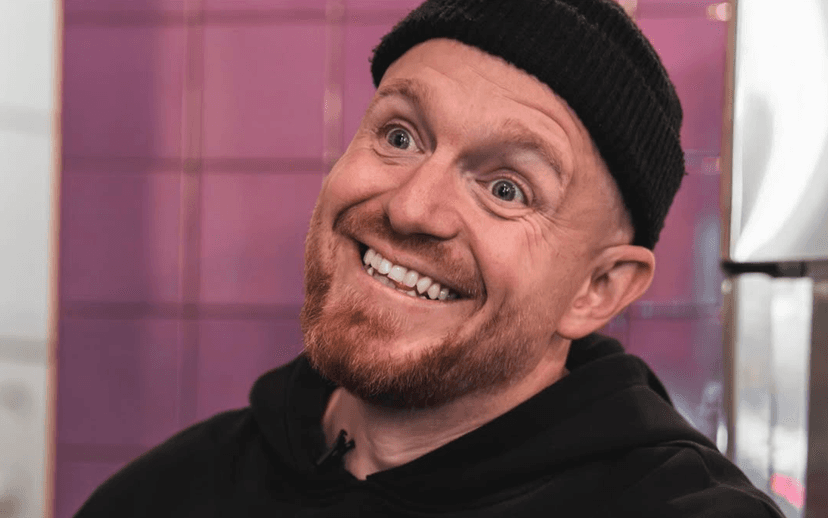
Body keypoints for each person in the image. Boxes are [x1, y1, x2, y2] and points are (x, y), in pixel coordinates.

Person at [75, 0, 784, 516]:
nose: (413, 208)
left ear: (597, 288)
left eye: (506, 189)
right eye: (400, 137)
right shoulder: (167, 494)